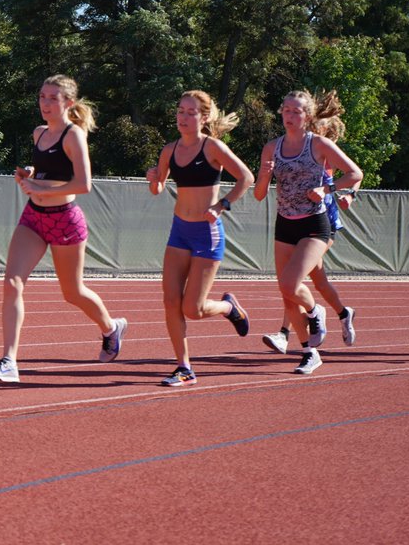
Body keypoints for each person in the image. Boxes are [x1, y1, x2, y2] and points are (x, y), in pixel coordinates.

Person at [0, 75, 127, 384]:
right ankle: (9, 361)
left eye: (52, 98)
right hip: (34, 217)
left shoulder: (74, 136)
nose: (45, 103)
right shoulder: (39, 133)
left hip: (64, 220)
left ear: (68, 103)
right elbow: (48, 170)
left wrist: (41, 187)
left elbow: (83, 184)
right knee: (12, 283)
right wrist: (30, 175)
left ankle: (111, 328)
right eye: (42, 96)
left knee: (72, 292)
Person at [146, 90, 254, 387]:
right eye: (180, 111)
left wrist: (222, 205)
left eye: (190, 112)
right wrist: (153, 179)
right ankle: (184, 367)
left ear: (204, 118)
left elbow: (246, 177)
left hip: (207, 233)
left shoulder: (212, 147)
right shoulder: (169, 150)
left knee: (192, 309)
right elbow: (158, 189)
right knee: (170, 301)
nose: (183, 117)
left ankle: (229, 308)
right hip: (179, 231)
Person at [253, 90, 363, 376]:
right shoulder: (271, 148)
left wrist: (326, 189)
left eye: (296, 111)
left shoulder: (319, 144)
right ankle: (309, 353)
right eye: (286, 110)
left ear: (308, 116)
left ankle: (316, 311)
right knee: (287, 295)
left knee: (290, 284)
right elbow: (259, 195)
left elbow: (355, 173)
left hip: (314, 224)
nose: (289, 115)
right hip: (284, 224)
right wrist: (264, 175)